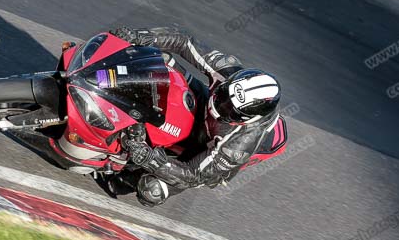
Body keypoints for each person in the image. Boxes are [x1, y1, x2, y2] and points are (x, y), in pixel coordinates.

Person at [107, 26, 282, 207]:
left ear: (243, 119)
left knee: (152, 190)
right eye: (223, 95)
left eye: (229, 109)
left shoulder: (238, 145)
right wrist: (142, 36)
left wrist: (150, 159)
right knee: (160, 59)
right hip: (203, 101)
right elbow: (184, 42)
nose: (221, 104)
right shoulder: (228, 70)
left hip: (208, 147)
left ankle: (129, 173)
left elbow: (194, 175)